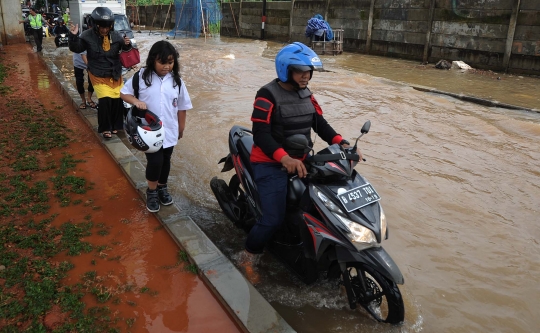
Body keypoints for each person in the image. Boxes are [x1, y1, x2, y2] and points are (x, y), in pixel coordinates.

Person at [243, 42, 362, 272]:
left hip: (303, 160)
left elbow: (320, 124)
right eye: (300, 71)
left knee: (324, 206)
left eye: (309, 71)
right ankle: (249, 254)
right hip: (270, 163)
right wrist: (284, 158)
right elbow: (260, 134)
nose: (306, 76)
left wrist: (342, 143)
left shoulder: (307, 95)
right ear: (285, 70)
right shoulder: (266, 95)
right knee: (272, 219)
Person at [120, 41, 192, 213]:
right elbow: (123, 93)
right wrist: (136, 101)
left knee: (166, 160)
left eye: (170, 62)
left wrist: (181, 128)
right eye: (162, 62)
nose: (167, 66)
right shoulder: (141, 76)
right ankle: (152, 191)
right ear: (153, 60)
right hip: (149, 132)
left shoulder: (177, 81)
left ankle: (162, 186)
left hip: (170, 129)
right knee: (155, 160)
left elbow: (182, 106)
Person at [68, 6, 132, 139]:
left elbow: (125, 50)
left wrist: (127, 44)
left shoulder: (116, 36)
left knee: (116, 100)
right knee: (104, 100)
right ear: (95, 25)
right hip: (97, 73)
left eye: (107, 27)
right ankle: (105, 128)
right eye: (101, 27)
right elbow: (76, 48)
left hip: (114, 73)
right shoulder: (86, 36)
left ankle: (115, 126)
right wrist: (73, 36)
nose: (104, 29)